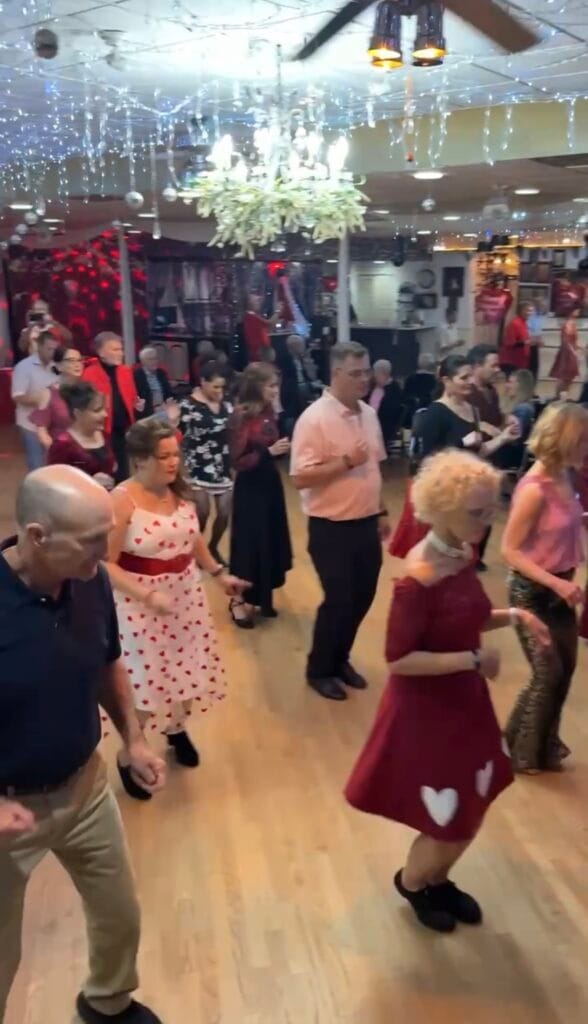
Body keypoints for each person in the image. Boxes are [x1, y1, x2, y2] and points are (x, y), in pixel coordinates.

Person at [345, 450, 549, 933]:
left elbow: (466, 617)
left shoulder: (462, 552)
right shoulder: (418, 579)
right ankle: (414, 883)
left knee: (470, 804)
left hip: (465, 703)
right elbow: (398, 660)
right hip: (426, 711)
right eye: (477, 512)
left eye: (490, 507)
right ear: (445, 511)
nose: (489, 518)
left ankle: (438, 880)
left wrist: (516, 615)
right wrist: (474, 660)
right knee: (447, 814)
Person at [0, 465, 165, 1024]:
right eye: (92, 541)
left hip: (85, 787)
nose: (105, 554)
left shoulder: (89, 578)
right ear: (38, 536)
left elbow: (107, 657)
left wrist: (132, 739)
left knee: (120, 915)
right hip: (8, 813)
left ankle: (108, 1004)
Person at [105, 418, 248, 800]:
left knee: (183, 671)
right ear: (138, 460)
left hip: (184, 596)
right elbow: (105, 562)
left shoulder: (179, 492)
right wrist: (146, 594)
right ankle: (130, 753)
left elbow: (194, 540)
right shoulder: (123, 500)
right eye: (162, 456)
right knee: (145, 685)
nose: (172, 463)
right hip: (139, 604)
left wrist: (220, 574)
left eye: (175, 454)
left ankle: (177, 729)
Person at [291, 342, 388, 701]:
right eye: (356, 373)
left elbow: (374, 467)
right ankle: (319, 669)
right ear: (335, 373)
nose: (364, 380)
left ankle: (340, 658)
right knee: (339, 599)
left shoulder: (368, 414)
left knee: (363, 596)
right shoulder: (314, 419)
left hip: (365, 523)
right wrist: (345, 461)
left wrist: (381, 510)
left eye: (366, 372)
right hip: (331, 527)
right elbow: (300, 477)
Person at [501, 402, 588, 774]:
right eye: (583, 441)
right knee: (546, 672)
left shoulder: (566, 477)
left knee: (565, 670)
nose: (587, 448)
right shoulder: (534, 487)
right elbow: (509, 549)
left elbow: (563, 521)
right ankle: (517, 750)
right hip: (531, 592)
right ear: (565, 440)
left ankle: (544, 747)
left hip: (561, 587)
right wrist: (555, 582)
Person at [390, 355, 518, 562]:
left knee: (460, 559)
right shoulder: (434, 413)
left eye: (470, 377)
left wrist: (504, 437)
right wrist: (460, 445)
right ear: (446, 380)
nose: (469, 382)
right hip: (443, 497)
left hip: (464, 494)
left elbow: (478, 452)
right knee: (436, 559)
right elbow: (423, 462)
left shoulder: (473, 412)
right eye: (463, 377)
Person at [228, 363, 292, 628]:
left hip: (269, 484)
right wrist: (269, 452)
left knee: (269, 539)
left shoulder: (268, 411)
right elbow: (236, 460)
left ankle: (263, 596)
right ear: (256, 386)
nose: (275, 391)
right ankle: (237, 601)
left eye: (276, 385)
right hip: (250, 488)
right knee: (249, 544)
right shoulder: (241, 415)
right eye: (270, 386)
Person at [179, 361, 233, 565]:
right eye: (215, 386)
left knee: (225, 512)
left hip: (222, 463)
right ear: (203, 382)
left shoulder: (227, 404)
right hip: (197, 465)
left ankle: (213, 547)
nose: (220, 391)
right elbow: (177, 434)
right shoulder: (187, 405)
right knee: (202, 511)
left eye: (222, 387)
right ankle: (196, 550)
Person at [83, 332, 144, 483]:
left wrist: (137, 405)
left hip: (122, 431)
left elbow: (131, 398)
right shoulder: (89, 375)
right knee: (105, 472)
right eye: (115, 350)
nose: (121, 353)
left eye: (121, 349)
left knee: (123, 472)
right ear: (100, 352)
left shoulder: (125, 371)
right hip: (101, 432)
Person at [47, 381, 115, 490]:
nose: (105, 414)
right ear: (78, 413)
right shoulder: (62, 445)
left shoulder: (103, 435)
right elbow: (54, 486)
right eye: (97, 411)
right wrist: (89, 483)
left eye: (104, 409)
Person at [11, 328, 59, 470]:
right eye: (49, 349)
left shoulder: (56, 366)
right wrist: (43, 399)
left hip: (53, 426)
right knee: (37, 466)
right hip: (30, 425)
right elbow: (17, 397)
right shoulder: (23, 367)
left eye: (54, 349)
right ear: (39, 346)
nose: (52, 353)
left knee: (55, 465)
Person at [30, 345, 84, 451]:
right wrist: (56, 452)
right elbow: (42, 432)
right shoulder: (48, 393)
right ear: (58, 366)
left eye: (79, 360)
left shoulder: (87, 389)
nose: (77, 364)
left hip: (87, 452)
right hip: (62, 453)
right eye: (71, 360)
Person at [277, 334, 315, 435]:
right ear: (293, 346)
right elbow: (286, 380)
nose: (303, 347)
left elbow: (308, 376)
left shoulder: (301, 359)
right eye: (301, 345)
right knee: (302, 390)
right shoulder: (284, 360)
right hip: (291, 391)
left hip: (302, 386)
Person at [368, 359, 404, 449]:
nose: (373, 376)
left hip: (383, 428)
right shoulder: (373, 387)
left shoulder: (394, 390)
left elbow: (388, 413)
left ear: (383, 374)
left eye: (375, 373)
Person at [133, 346, 174, 418]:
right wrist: (152, 409)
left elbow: (168, 393)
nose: (154, 361)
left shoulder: (161, 373)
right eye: (150, 359)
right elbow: (137, 398)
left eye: (155, 358)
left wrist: (168, 403)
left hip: (164, 409)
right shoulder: (137, 376)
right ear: (143, 361)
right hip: (148, 413)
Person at [550, 310, 582, 398]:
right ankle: (558, 398)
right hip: (567, 354)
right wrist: (574, 352)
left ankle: (563, 397)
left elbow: (572, 341)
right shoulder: (568, 324)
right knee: (564, 377)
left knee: (569, 378)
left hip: (570, 353)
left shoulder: (572, 323)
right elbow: (566, 341)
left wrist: (579, 348)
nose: (578, 311)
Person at [242, 295, 279, 364]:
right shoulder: (251, 317)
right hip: (259, 356)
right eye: (256, 301)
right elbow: (270, 323)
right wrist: (278, 311)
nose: (259, 303)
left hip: (260, 355)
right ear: (249, 303)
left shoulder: (253, 316)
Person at [499, 303, 533, 374]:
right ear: (521, 311)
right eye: (527, 310)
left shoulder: (524, 323)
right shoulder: (515, 324)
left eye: (530, 311)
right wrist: (526, 342)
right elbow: (510, 343)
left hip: (521, 360)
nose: (529, 313)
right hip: (512, 361)